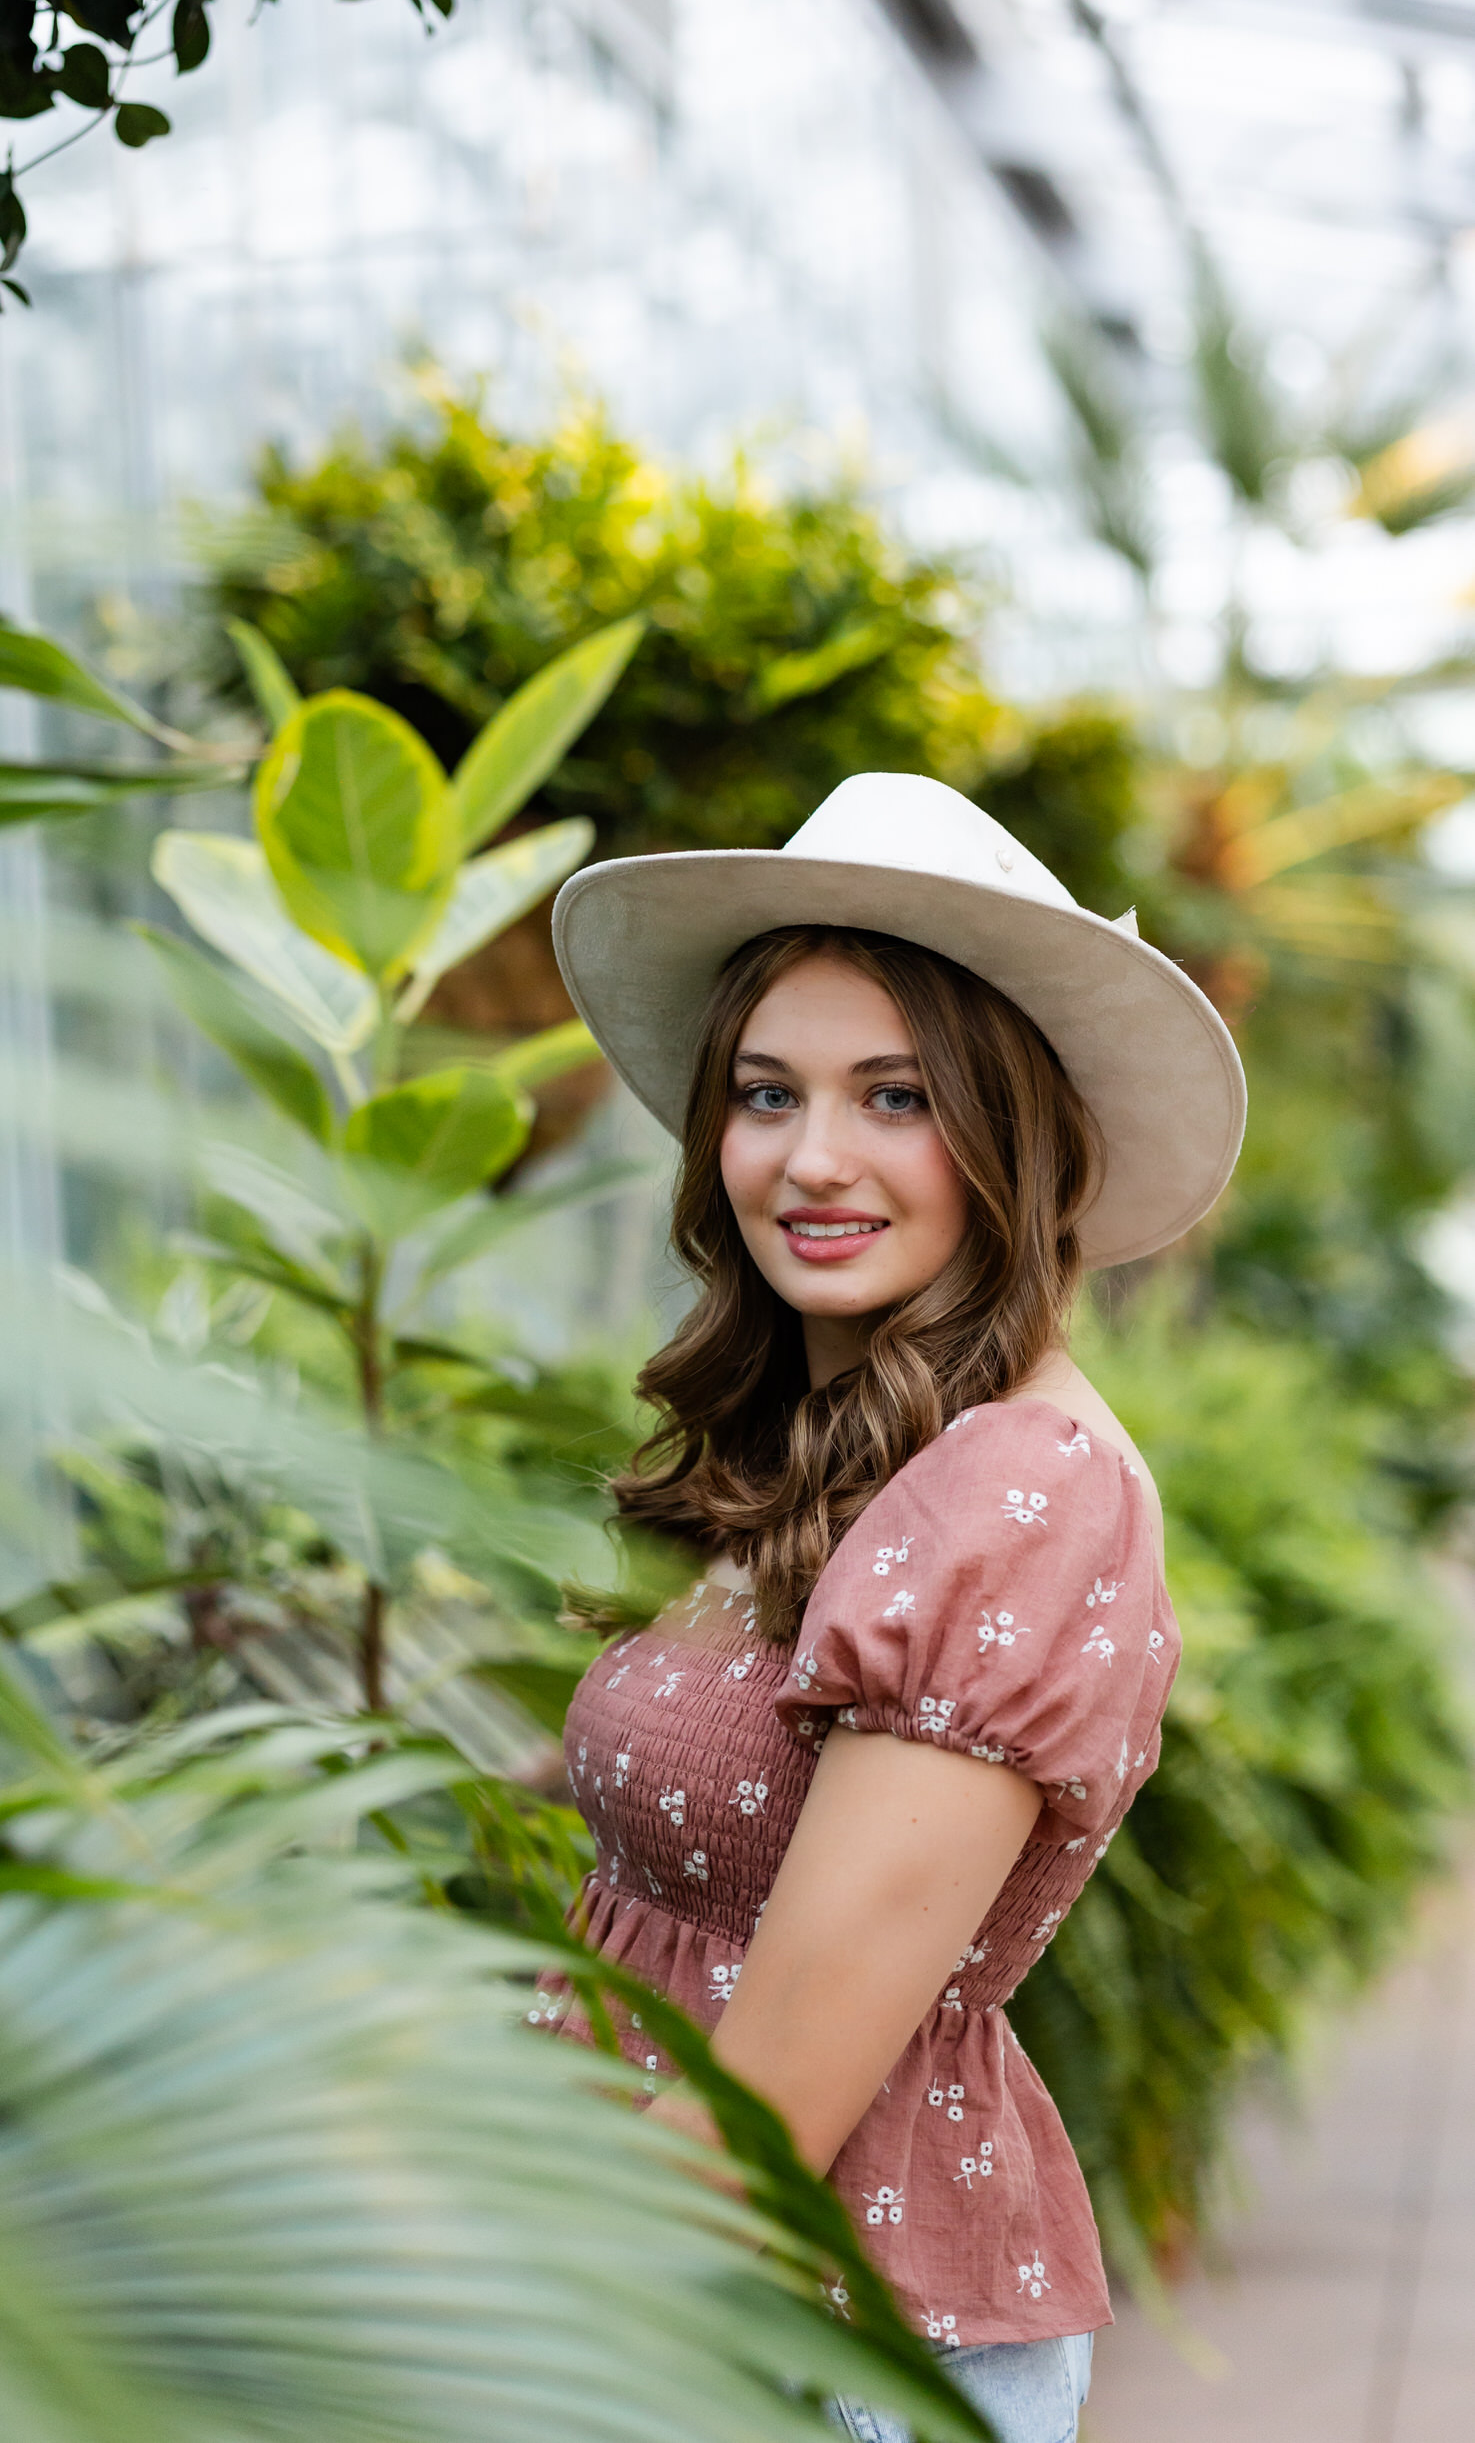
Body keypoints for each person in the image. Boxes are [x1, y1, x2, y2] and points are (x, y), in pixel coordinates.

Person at [535, 771, 1246, 2443]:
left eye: (898, 1097)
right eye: (767, 1093)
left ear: (1010, 1133)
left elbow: (778, 2070)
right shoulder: (853, 1451)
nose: (813, 1159)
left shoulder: (1019, 1490)